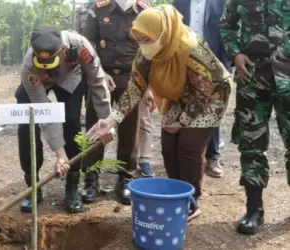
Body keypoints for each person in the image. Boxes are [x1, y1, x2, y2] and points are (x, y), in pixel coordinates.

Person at [88, 4, 232, 221]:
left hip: (211, 96)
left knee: (188, 147)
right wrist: (110, 120)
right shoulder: (146, 52)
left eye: (147, 39)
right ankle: (177, 195)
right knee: (168, 142)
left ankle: (192, 202)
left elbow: (204, 91)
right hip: (180, 94)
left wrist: (182, 122)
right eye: (140, 40)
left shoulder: (190, 47)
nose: (143, 45)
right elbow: (135, 89)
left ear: (162, 33)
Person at [16, 24, 111, 214]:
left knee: (72, 123)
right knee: (27, 127)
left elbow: (98, 82)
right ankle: (32, 185)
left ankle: (72, 187)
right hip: (38, 83)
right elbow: (46, 112)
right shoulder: (28, 68)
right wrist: (60, 154)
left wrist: (107, 121)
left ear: (63, 50)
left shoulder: (81, 46)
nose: (49, 70)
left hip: (70, 78)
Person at [220, 0, 290, 235]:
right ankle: (254, 210)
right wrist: (236, 53)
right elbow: (226, 25)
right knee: (251, 145)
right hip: (252, 79)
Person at [80, 0, 154, 205]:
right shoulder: (98, 8)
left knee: (130, 130)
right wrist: (100, 74)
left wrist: (149, 87)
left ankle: (125, 179)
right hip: (100, 79)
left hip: (133, 79)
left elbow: (150, 49)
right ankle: (91, 179)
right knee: (96, 128)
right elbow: (87, 46)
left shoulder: (145, 11)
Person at [173, 0, 231, 178]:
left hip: (212, 64)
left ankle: (212, 156)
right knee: (183, 105)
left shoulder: (221, 3)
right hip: (184, 63)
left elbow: (226, 32)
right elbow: (173, 29)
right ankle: (184, 154)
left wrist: (226, 66)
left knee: (212, 110)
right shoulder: (180, 2)